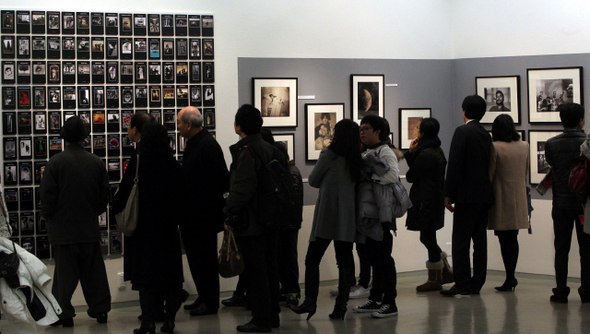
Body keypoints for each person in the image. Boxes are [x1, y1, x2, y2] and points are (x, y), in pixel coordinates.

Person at [113, 122, 185, 334]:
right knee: (170, 277)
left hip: (143, 229)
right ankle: (169, 320)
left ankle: (148, 323)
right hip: (168, 229)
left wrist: (116, 215)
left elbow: (124, 192)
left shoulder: (138, 162)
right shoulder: (172, 165)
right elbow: (183, 197)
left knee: (146, 278)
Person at [40, 116, 111, 327]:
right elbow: (103, 197)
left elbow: (47, 199)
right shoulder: (96, 162)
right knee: (94, 274)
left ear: (65, 138)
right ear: (84, 138)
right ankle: (101, 310)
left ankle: (64, 314)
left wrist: (52, 218)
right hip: (88, 228)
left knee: (64, 277)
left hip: (63, 231)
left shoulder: (55, 163)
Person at [290, 119, 362, 321]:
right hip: (347, 216)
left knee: (312, 258)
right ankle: (341, 306)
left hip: (328, 214)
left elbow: (313, 180)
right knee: (345, 260)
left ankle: (310, 302)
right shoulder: (357, 159)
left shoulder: (328, 155)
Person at [224, 104, 281, 332]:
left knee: (256, 273)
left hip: (252, 222)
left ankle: (261, 319)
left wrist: (228, 210)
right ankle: (272, 315)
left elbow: (243, 188)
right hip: (270, 218)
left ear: (238, 125)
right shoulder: (270, 148)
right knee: (269, 270)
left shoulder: (247, 151)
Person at [177, 106, 229, 316]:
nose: (178, 127)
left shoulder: (207, 146)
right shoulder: (198, 144)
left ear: (189, 125)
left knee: (204, 261)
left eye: (179, 123)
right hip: (195, 215)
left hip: (202, 217)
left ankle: (210, 301)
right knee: (198, 260)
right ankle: (204, 295)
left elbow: (220, 181)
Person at [440, 94, 493, 296]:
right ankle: (477, 282)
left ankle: (462, 282)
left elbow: (455, 164)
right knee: (480, 242)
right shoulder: (484, 134)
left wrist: (448, 193)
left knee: (461, 241)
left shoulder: (462, 131)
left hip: (466, 195)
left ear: (464, 111)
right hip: (483, 195)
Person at [352, 115, 399, 318]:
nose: (362, 131)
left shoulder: (385, 151)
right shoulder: (367, 150)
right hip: (369, 214)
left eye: (366, 128)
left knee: (383, 259)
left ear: (377, 131)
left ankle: (390, 301)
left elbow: (392, 176)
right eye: (361, 128)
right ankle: (375, 298)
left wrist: (368, 176)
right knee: (373, 257)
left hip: (381, 215)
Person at [546, 103, 590, 303]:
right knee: (586, 250)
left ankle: (561, 291)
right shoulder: (586, 142)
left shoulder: (551, 144)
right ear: (582, 120)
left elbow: (553, 167)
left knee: (561, 249)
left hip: (561, 204)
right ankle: (587, 290)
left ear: (561, 120)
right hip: (584, 205)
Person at [404, 117, 452, 292]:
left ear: (422, 133)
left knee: (427, 237)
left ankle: (435, 278)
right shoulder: (436, 150)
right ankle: (444, 271)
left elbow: (411, 175)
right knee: (428, 236)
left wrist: (411, 152)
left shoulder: (426, 154)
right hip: (433, 199)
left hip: (426, 200)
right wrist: (412, 152)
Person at [488, 114, 529, 292]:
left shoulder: (495, 147)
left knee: (505, 239)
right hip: (518, 198)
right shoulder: (524, 146)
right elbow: (525, 171)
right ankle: (511, 276)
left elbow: (490, 174)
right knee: (513, 237)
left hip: (501, 197)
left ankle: (510, 277)